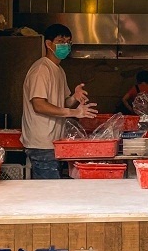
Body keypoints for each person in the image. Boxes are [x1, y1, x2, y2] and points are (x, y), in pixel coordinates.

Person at [22, 24, 97, 179]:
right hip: (41, 145)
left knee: (53, 192)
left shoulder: (58, 70)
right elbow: (39, 105)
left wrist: (74, 98)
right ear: (49, 44)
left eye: (68, 42)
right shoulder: (41, 69)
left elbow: (62, 104)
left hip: (54, 143)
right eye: (61, 41)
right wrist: (74, 112)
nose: (65, 45)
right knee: (48, 195)